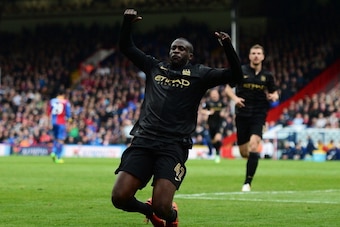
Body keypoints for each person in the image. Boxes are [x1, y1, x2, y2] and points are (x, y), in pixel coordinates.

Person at [111, 9, 242, 227]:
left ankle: (171, 217)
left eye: (182, 49)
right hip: (144, 141)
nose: (176, 51)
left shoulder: (200, 74)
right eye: (173, 48)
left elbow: (236, 76)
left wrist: (227, 46)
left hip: (173, 145)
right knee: (119, 198)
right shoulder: (155, 67)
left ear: (190, 56)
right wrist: (127, 23)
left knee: (163, 208)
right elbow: (126, 47)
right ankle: (148, 212)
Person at [225, 44, 279, 192]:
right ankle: (253, 159)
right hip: (242, 115)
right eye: (253, 53)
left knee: (254, 145)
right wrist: (235, 99)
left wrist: (273, 96)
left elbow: (275, 93)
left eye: (258, 53)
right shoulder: (241, 71)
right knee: (244, 152)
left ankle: (247, 182)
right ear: (249, 56)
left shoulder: (267, 75)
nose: (256, 55)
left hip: (259, 114)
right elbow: (228, 89)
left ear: (263, 56)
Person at [201, 89, 227, 163]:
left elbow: (225, 109)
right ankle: (215, 152)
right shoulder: (208, 103)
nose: (214, 95)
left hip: (220, 123)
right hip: (211, 124)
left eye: (215, 93)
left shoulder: (221, 103)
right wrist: (209, 112)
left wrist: (223, 112)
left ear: (218, 94)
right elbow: (202, 110)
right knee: (213, 140)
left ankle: (218, 154)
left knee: (218, 138)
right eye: (213, 93)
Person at [47, 89, 71, 164]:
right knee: (60, 140)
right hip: (61, 123)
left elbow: (48, 113)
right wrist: (69, 124)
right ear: (63, 95)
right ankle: (58, 157)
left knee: (55, 138)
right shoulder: (65, 102)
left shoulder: (52, 101)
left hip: (53, 122)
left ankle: (53, 152)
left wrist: (49, 123)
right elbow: (68, 115)